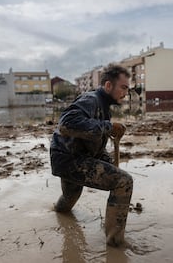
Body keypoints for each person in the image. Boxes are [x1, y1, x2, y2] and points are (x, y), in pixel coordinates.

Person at [50, 64, 133, 247]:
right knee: (123, 182)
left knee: (68, 200)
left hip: (70, 157)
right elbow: (66, 124)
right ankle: (115, 243)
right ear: (109, 86)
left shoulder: (104, 107)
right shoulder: (91, 99)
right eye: (124, 87)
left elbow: (92, 141)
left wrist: (107, 161)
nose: (126, 93)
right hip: (69, 159)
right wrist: (109, 127)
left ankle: (54, 213)